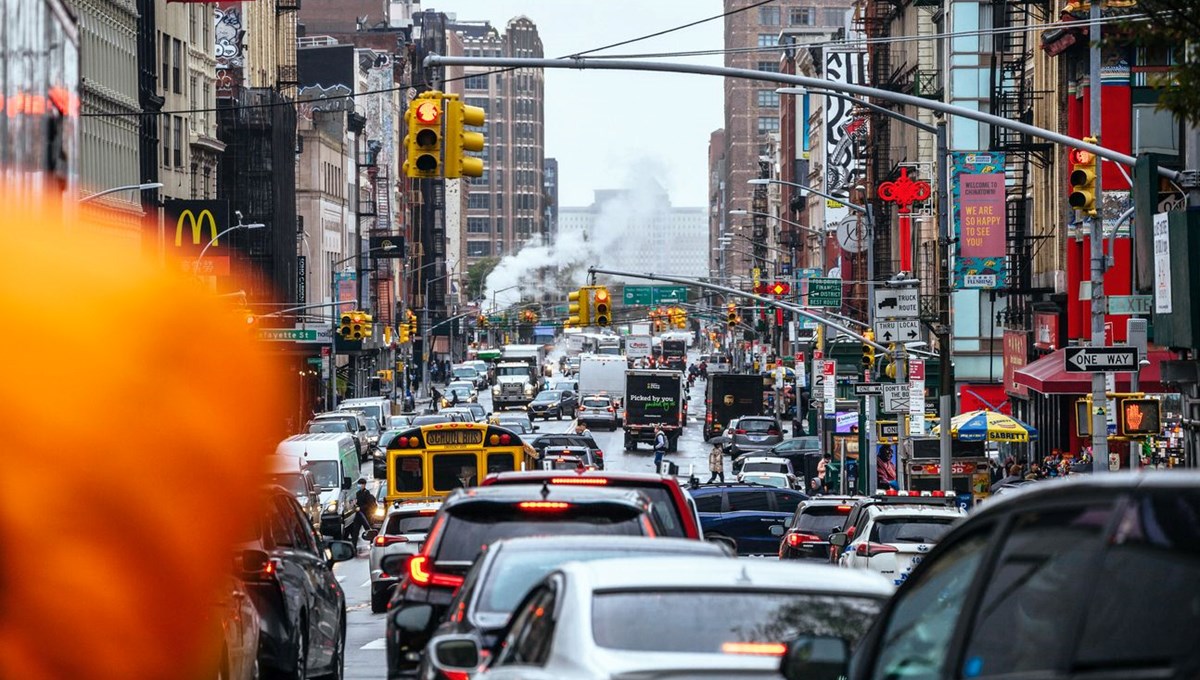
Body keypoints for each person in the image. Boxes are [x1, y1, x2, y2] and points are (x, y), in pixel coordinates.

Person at [353, 478, 376, 549]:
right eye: (359, 484)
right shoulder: (358, 493)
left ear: (364, 485)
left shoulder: (367, 493)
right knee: (355, 532)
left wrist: (360, 508)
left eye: (361, 484)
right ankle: (353, 547)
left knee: (369, 531)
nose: (359, 486)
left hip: (365, 516)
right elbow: (357, 503)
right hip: (358, 516)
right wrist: (354, 504)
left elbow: (369, 504)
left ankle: (373, 546)